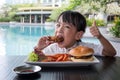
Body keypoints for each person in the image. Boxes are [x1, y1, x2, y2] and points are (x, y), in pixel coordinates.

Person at [34, 10, 116, 56]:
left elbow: (111, 52)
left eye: (67, 27)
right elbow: (35, 60)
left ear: (78, 35)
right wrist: (38, 48)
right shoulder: (52, 48)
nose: (59, 29)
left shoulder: (85, 48)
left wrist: (100, 37)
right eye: (58, 25)